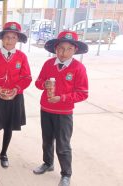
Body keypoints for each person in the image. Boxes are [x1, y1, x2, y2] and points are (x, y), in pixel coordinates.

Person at [33, 30, 89, 186]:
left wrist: (62, 98)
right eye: (61, 48)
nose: (64, 53)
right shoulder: (48, 64)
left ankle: (66, 174)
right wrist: (44, 84)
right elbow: (38, 83)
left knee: (63, 145)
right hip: (45, 109)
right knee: (47, 140)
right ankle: (48, 163)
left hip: (64, 113)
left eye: (69, 49)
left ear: (75, 50)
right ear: (55, 48)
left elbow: (83, 93)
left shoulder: (78, 68)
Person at [0, 22, 32, 168]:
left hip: (15, 97)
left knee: (8, 127)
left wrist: (16, 88)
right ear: (2, 38)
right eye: (7, 37)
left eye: (13, 37)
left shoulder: (21, 57)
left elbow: (26, 77)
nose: (9, 40)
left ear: (17, 39)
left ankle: (3, 153)